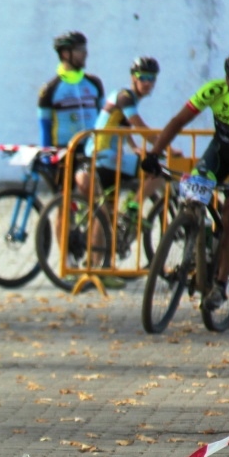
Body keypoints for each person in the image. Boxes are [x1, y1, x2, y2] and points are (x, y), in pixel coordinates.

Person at [142, 52, 229, 310]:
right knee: (194, 196)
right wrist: (153, 153)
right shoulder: (213, 91)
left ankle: (221, 284)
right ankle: (196, 246)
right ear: (226, 79)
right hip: (219, 152)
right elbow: (178, 121)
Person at [79, 56, 174, 288]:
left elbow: (122, 126)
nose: (148, 82)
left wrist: (134, 147)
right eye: (144, 78)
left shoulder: (123, 97)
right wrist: (167, 147)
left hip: (107, 156)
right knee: (159, 172)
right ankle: (134, 205)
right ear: (133, 78)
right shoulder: (125, 96)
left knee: (106, 213)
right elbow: (138, 125)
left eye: (152, 78)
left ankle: (98, 267)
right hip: (106, 157)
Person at [37, 31, 105, 189]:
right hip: (64, 150)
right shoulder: (50, 89)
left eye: (85, 48)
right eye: (80, 49)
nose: (85, 53)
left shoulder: (94, 83)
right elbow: (45, 126)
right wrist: (47, 155)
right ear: (65, 53)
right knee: (64, 203)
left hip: (90, 149)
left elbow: (104, 117)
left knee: (90, 190)